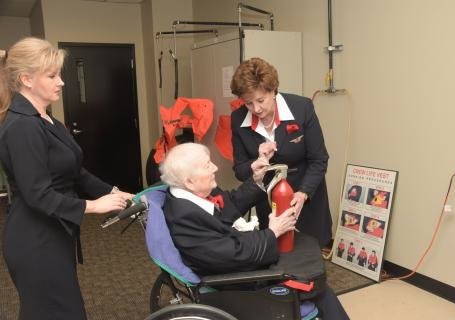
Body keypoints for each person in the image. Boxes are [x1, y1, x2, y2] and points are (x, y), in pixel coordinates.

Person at [0, 37, 132, 320]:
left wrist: (116, 192)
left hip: (55, 233)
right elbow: (38, 194)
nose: (61, 82)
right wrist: (94, 206)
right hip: (34, 240)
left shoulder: (47, 120)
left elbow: (76, 172)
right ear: (26, 79)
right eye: (52, 76)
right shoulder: (22, 127)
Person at [160, 142, 349, 320]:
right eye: (207, 165)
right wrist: (273, 231)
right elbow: (233, 254)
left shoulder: (190, 196)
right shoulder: (185, 217)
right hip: (234, 282)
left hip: (234, 259)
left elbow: (230, 203)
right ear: (189, 182)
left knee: (305, 255)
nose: (215, 168)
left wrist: (257, 179)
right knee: (318, 289)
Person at [230, 57, 332, 247]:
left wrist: (303, 194)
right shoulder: (238, 120)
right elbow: (239, 170)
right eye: (248, 103)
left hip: (305, 199)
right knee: (275, 262)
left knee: (310, 263)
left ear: (273, 90)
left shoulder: (302, 108)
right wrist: (256, 163)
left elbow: (319, 160)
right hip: (268, 205)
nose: (256, 109)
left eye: (261, 100)